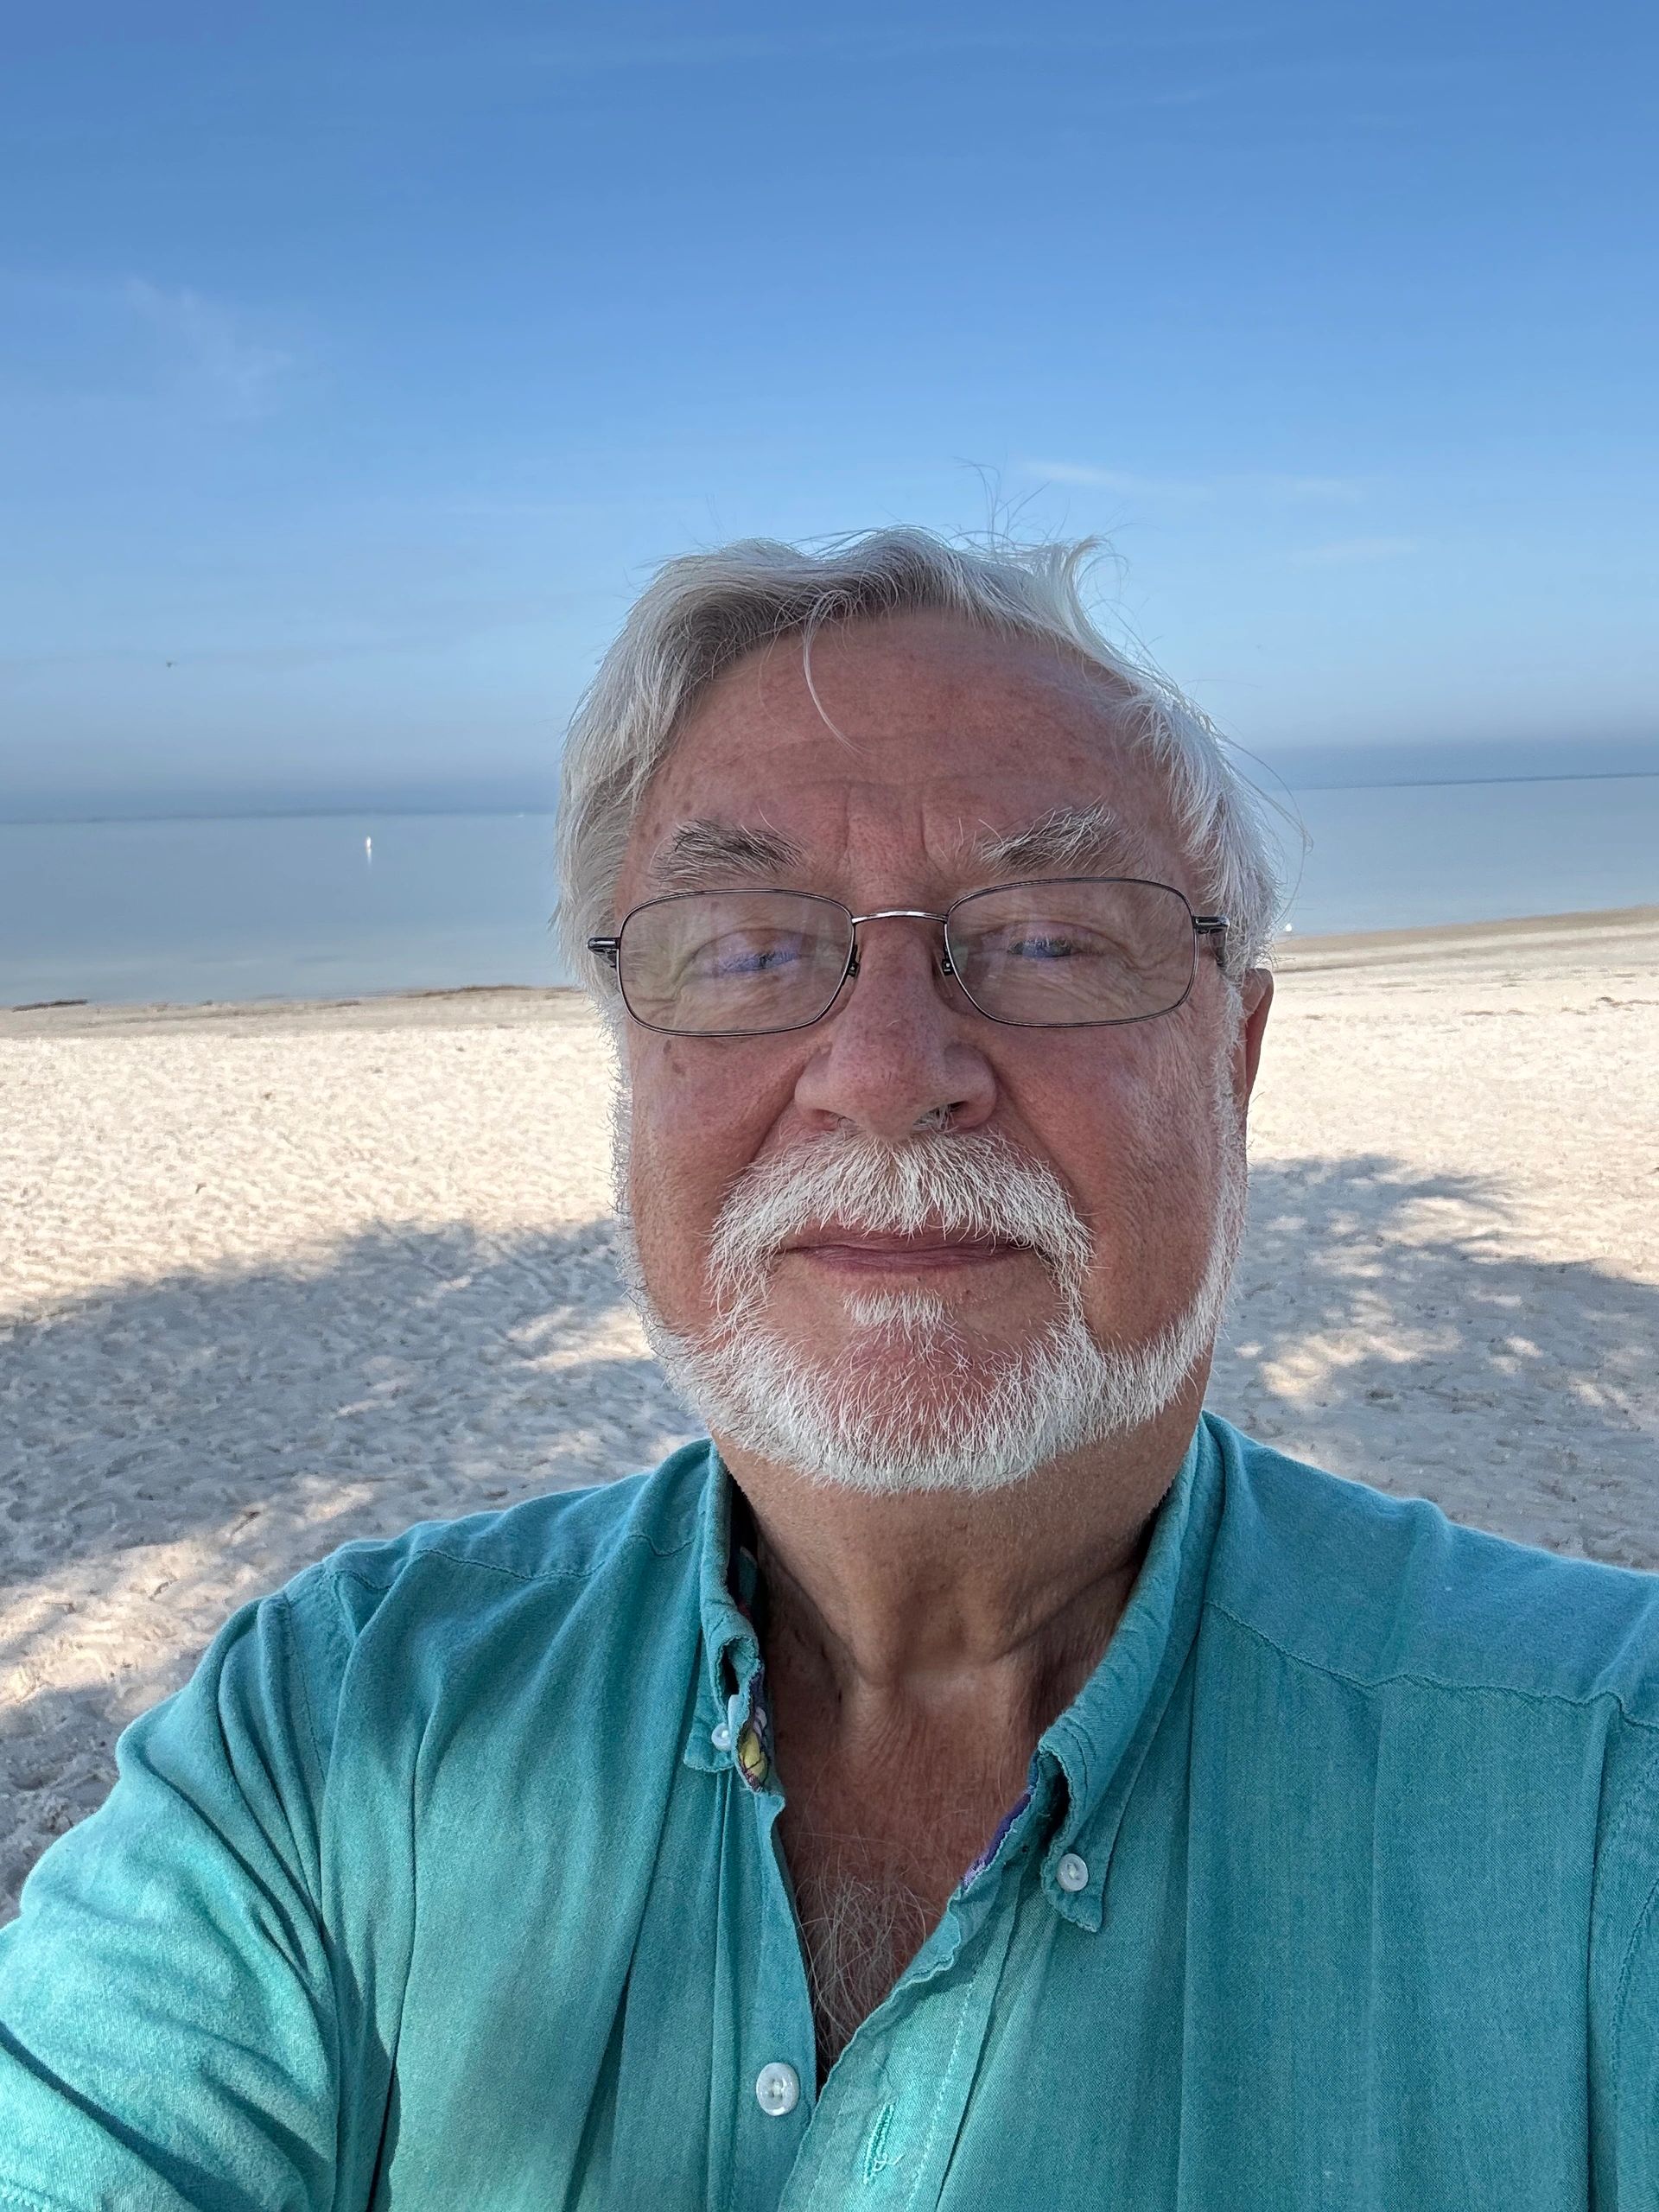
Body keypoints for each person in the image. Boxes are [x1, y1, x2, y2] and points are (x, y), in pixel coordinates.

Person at [2, 529, 1656, 2211]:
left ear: (1234, 1059)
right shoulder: (331, 1735)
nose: (884, 1070)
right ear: (632, 1059)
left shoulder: (1609, 1785)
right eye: (743, 944)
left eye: (1052, 936)